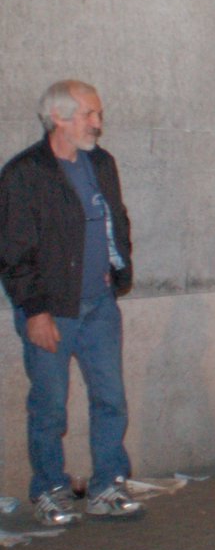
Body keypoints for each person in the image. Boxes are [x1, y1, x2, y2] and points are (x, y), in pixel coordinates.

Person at [1, 80, 142, 524]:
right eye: (90, 115)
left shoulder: (101, 164)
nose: (98, 124)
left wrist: (119, 270)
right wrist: (35, 311)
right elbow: (13, 250)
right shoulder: (25, 172)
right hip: (52, 309)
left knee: (110, 398)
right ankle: (49, 489)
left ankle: (107, 485)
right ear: (58, 117)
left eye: (99, 114)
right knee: (49, 405)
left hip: (99, 304)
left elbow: (115, 220)